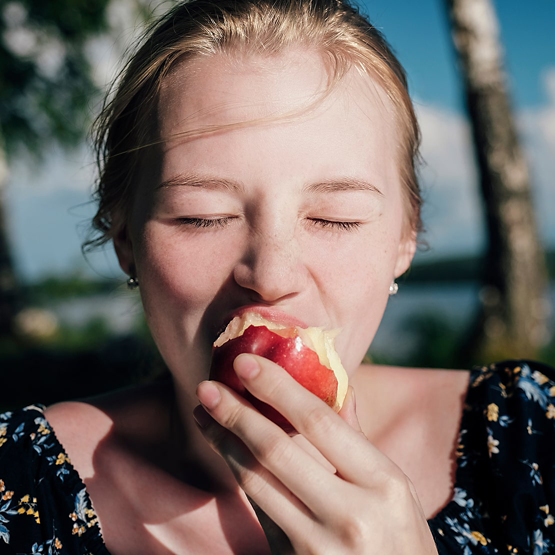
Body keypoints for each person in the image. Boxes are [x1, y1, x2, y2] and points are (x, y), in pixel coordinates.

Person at [0, 0, 553, 553]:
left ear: (406, 238)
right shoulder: (17, 487)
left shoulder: (531, 438)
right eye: (202, 215)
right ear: (126, 240)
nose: (272, 275)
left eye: (336, 218)